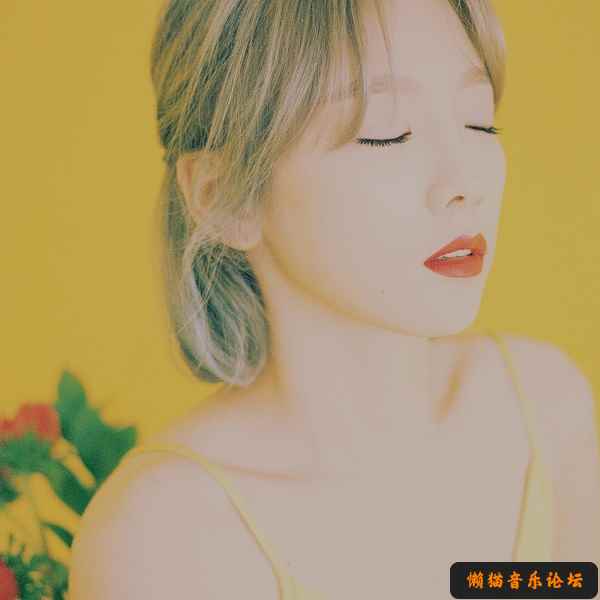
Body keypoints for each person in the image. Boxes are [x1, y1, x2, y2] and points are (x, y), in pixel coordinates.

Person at [69, 0, 600, 598]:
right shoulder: (169, 537)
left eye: (478, 121)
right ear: (223, 197)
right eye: (387, 133)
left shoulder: (538, 406)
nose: (464, 184)